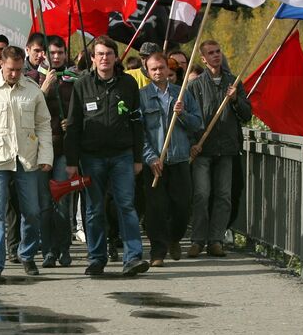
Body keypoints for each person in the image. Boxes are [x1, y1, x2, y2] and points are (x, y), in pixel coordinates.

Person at [64, 36, 150, 277]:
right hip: (91, 157)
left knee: (126, 205)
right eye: (100, 54)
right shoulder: (82, 85)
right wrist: (72, 161)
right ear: (92, 58)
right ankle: (97, 258)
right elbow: (73, 125)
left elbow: (136, 122)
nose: (104, 58)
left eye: (109, 54)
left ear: (116, 57)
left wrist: (137, 157)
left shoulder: (128, 84)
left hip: (122, 155)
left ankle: (133, 257)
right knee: (93, 209)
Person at [0, 46, 52, 282]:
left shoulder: (33, 90)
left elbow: (44, 124)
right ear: (1, 65)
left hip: (27, 158)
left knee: (32, 211)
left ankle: (27, 254)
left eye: (18, 69)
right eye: (10, 69)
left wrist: (46, 157)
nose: (14, 74)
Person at [188, 39, 252, 258]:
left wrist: (235, 100)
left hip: (227, 149)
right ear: (203, 59)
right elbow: (189, 118)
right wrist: (193, 143)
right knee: (202, 195)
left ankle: (216, 240)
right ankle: (198, 240)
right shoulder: (195, 86)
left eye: (218, 52)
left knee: (224, 196)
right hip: (203, 149)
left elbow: (247, 115)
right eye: (210, 53)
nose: (216, 55)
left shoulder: (234, 82)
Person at [140, 50, 203, 266]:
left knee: (182, 206)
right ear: (147, 72)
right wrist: (149, 157)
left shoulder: (182, 93)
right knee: (155, 209)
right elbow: (139, 132)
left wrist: (183, 113)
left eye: (161, 68)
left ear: (168, 69)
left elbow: (198, 124)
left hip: (179, 159)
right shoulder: (142, 96)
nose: (158, 72)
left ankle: (174, 238)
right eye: (153, 69)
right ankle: (158, 251)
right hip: (155, 163)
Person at [39, 36, 76, 268]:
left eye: (60, 52)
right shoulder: (34, 77)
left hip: (64, 147)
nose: (56, 57)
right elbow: (28, 109)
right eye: (52, 53)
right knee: (44, 204)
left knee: (62, 200)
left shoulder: (74, 79)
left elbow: (81, 110)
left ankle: (64, 248)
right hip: (42, 148)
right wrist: (44, 89)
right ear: (44, 54)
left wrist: (69, 122)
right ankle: (48, 250)